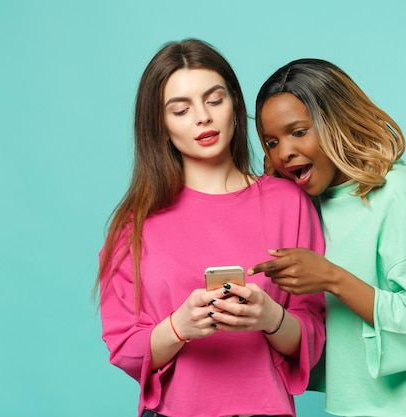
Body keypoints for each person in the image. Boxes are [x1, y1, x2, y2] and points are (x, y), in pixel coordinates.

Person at [95, 40, 326, 417]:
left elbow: (313, 335)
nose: (202, 117)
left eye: (214, 100)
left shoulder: (289, 203)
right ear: (161, 126)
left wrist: (271, 318)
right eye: (181, 110)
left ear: (235, 104)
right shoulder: (133, 226)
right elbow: (124, 348)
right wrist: (180, 325)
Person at [248, 59, 406, 417]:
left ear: (335, 121)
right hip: (351, 407)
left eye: (299, 132)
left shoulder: (396, 192)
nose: (283, 152)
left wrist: (332, 278)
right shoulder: (308, 205)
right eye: (272, 141)